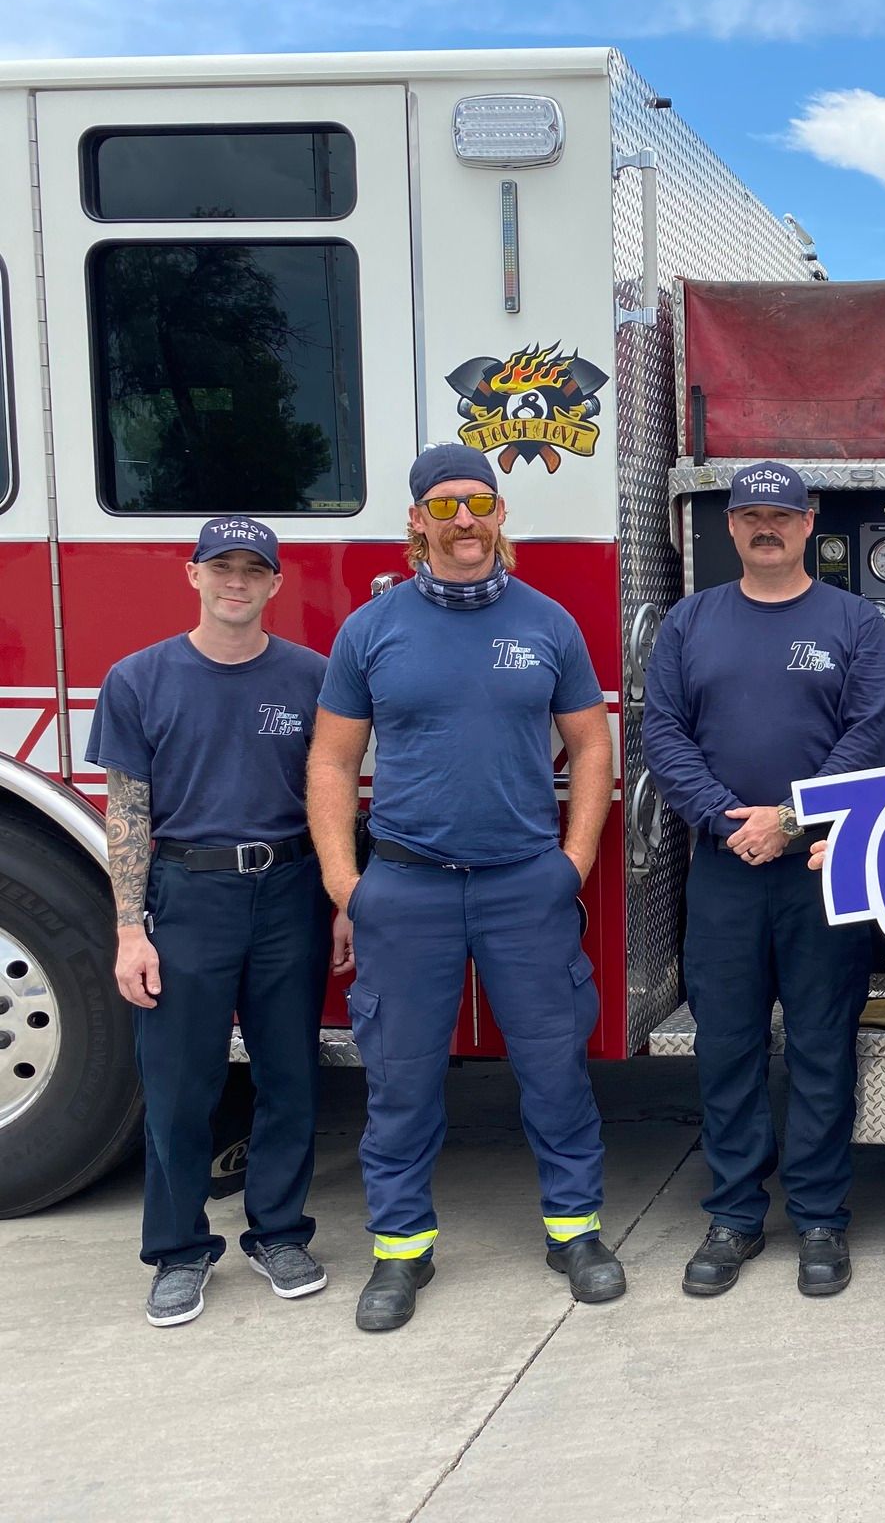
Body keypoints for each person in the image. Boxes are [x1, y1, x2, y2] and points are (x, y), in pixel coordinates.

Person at [309, 445, 623, 1332]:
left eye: (479, 504)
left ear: (500, 514)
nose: (464, 523)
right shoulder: (372, 631)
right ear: (416, 522)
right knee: (402, 1078)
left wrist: (573, 860)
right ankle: (400, 1249)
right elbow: (332, 760)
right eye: (444, 508)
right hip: (405, 890)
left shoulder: (549, 623)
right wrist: (346, 883)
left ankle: (576, 1231)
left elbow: (591, 746)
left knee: (553, 1067)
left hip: (526, 885)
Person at [642, 460, 885, 1299]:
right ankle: (735, 1217)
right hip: (724, 870)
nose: (765, 527)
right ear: (729, 526)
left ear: (809, 522)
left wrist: (788, 819)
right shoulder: (689, 622)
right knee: (729, 1046)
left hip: (826, 868)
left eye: (780, 515)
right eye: (749, 514)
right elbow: (664, 735)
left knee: (823, 1046)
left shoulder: (857, 622)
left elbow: (870, 735)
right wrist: (726, 819)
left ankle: (820, 1218)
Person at [88, 517, 335, 1327]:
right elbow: (128, 810)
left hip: (290, 890)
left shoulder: (312, 677)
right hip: (186, 895)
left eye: (253, 569)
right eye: (221, 567)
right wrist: (130, 929)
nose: (238, 581)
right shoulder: (138, 679)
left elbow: (336, 795)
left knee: (290, 1076)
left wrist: (341, 902)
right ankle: (179, 1251)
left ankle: (279, 1232)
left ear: (275, 584)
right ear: (192, 576)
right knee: (179, 1086)